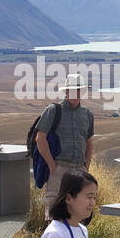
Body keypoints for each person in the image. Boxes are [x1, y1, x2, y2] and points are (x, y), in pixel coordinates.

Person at [37, 72, 95, 204]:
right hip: (59, 167)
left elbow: (89, 142)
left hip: (80, 169)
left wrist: (86, 167)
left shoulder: (87, 114)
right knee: (55, 213)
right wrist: (52, 166)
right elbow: (40, 138)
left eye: (78, 90)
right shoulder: (53, 110)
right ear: (67, 91)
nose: (76, 94)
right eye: (73, 90)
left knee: (78, 211)